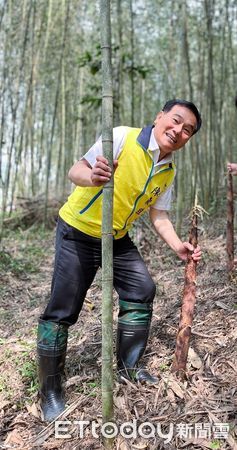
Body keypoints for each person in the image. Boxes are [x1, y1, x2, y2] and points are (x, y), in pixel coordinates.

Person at [37, 99, 202, 421]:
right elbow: (76, 170)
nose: (179, 131)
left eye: (188, 130)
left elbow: (159, 214)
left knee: (142, 289)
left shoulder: (167, 168)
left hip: (116, 236)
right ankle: (50, 392)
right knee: (62, 309)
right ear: (159, 117)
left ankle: (129, 368)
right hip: (79, 232)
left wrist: (177, 246)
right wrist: (93, 177)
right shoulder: (122, 137)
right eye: (176, 121)